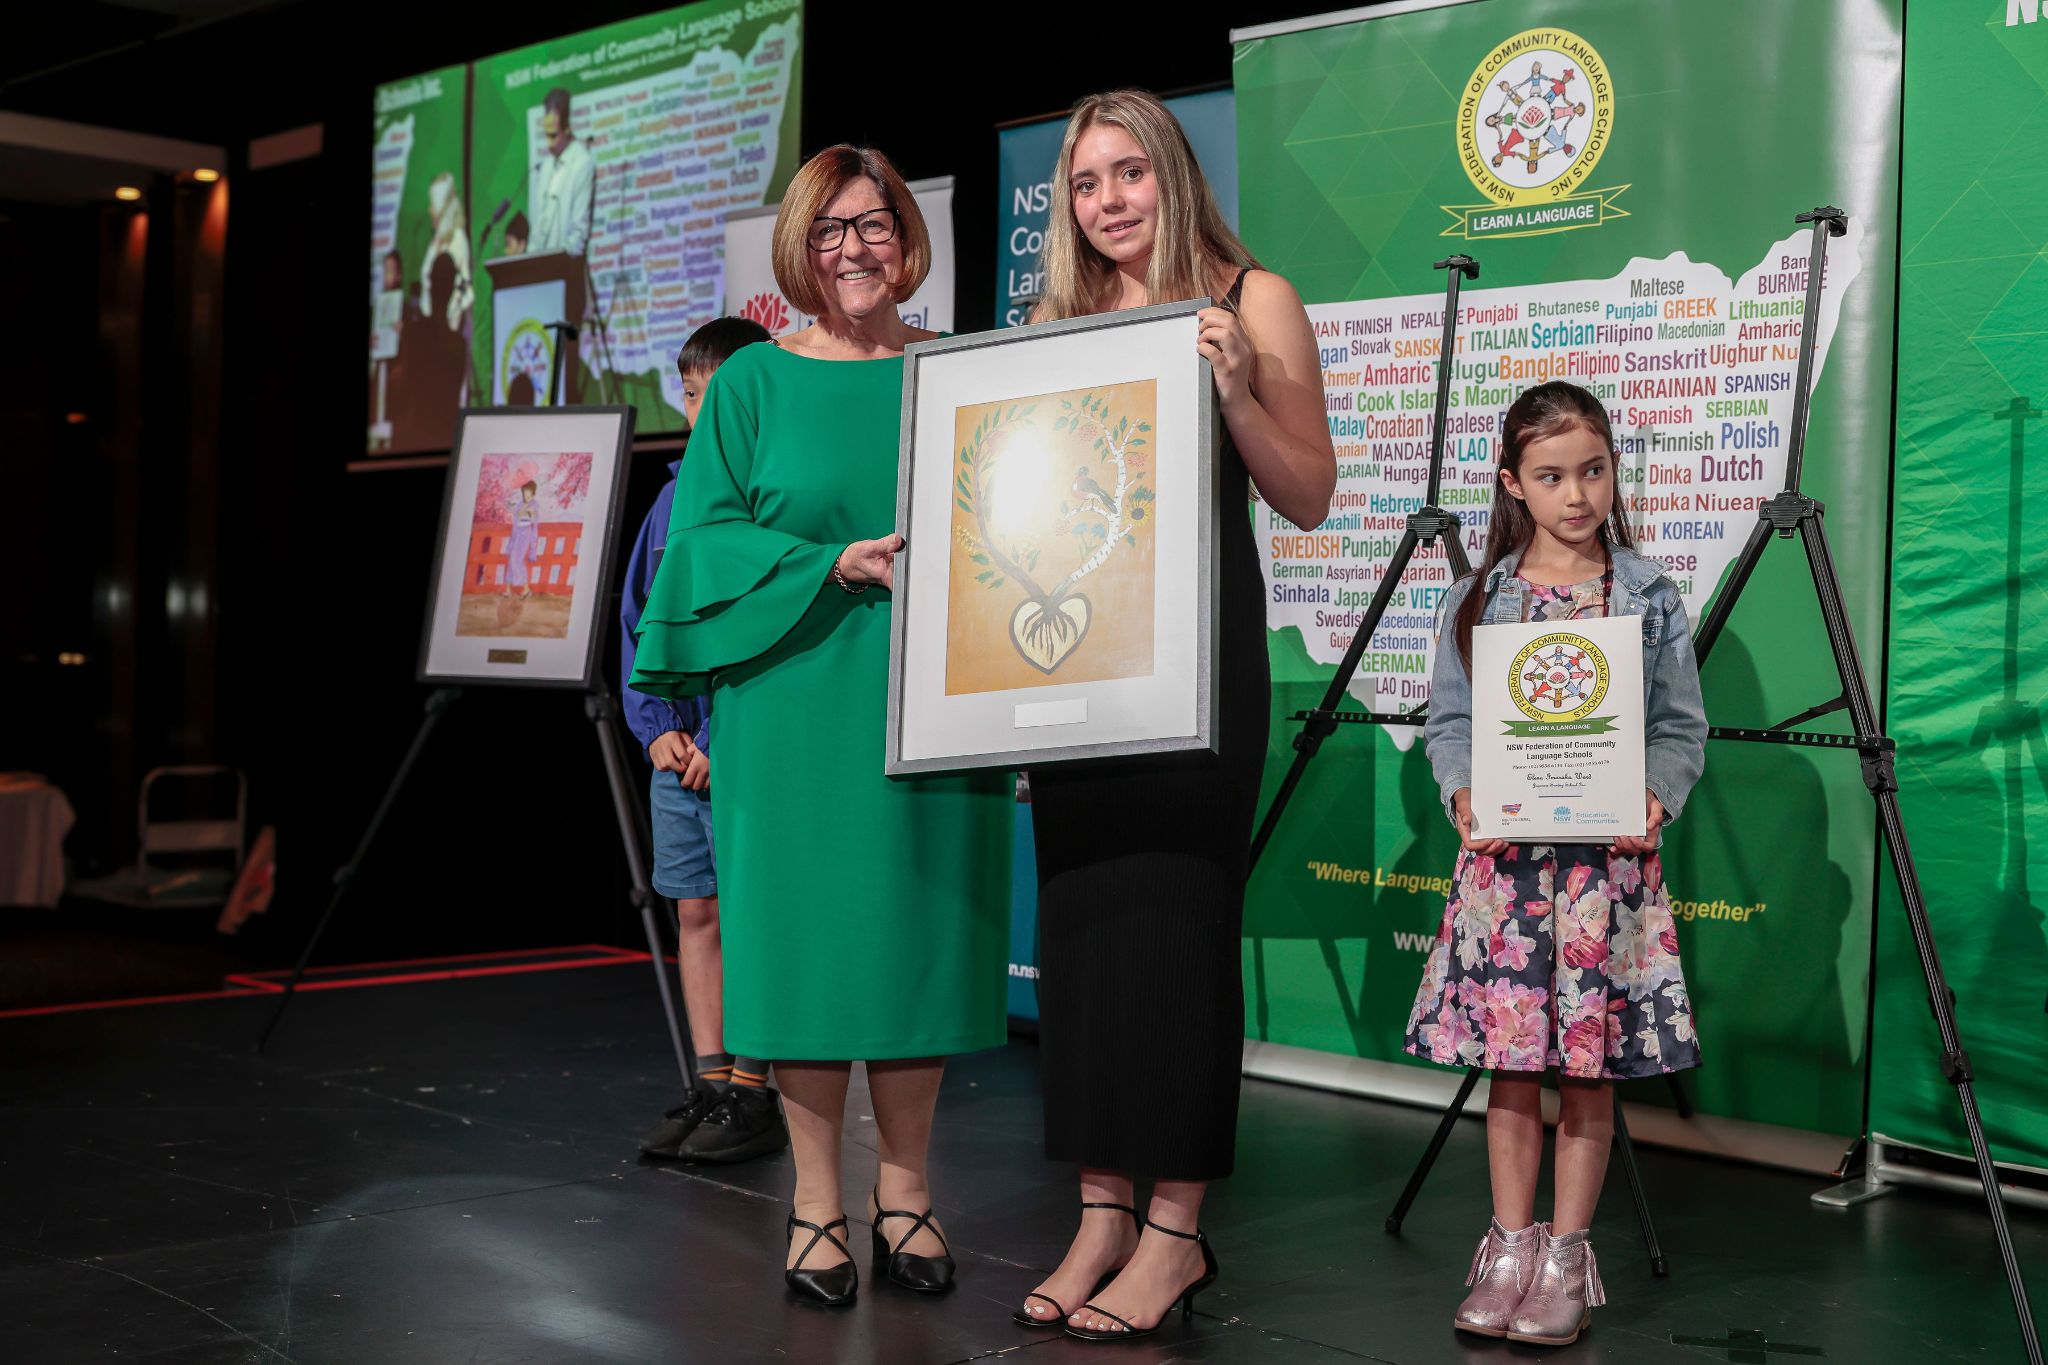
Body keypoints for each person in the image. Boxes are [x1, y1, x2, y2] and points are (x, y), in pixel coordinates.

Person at [630, 145, 1010, 1308]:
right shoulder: (751, 383)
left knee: (910, 944)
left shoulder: (960, 370)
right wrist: (825, 563)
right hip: (789, 701)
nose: (854, 248)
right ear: (800, 247)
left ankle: (906, 1193)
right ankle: (813, 1203)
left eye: (874, 223)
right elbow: (700, 545)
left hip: (933, 698)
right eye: (831, 229)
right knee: (800, 950)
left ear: (907, 238)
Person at [1019, 89, 1335, 1342]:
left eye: (1128, 173)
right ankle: (1100, 1216)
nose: (1108, 201)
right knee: (1084, 935)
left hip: (1196, 668)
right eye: (1084, 182)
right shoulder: (1051, 322)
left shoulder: (1253, 299)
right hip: (1072, 663)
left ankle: (1174, 1234)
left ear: (1173, 173)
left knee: (1182, 935)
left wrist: (1235, 392)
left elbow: (1306, 493)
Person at [1405, 380, 1706, 1348]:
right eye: (1550, 476)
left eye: (1592, 470)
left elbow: (1679, 727)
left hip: (1601, 882)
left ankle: (1567, 1254)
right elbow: (1451, 723)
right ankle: (1506, 1249)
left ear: (1613, 470)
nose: (1575, 494)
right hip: (1507, 876)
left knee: (1585, 1069)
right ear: (1511, 483)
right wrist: (1464, 796)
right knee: (1510, 1067)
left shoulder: (1647, 594)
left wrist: (1654, 794)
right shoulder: (1476, 597)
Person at [623, 315, 783, 1165]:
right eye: (691, 396)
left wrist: (724, 736)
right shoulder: (669, 502)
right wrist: (658, 730)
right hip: (677, 754)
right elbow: (639, 625)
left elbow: (766, 632)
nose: (700, 412)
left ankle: (756, 1088)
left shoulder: (771, 497)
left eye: (717, 397)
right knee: (697, 908)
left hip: (742, 753)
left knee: (752, 912)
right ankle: (713, 1079)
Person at [529, 89, 595, 258]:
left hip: (567, 265)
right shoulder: (546, 166)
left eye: (553, 136)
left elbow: (579, 232)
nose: (548, 144)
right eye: (546, 135)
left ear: (567, 128)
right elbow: (537, 226)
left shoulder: (582, 163)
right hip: (540, 267)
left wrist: (557, 262)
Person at [419, 171, 473, 329]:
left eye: (433, 205)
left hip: (450, 330)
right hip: (433, 329)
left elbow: (460, 293)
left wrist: (445, 330)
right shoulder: (435, 242)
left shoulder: (458, 240)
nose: (430, 210)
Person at [501, 480, 541, 597]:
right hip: (517, 534)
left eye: (529, 496)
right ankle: (509, 589)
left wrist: (530, 512)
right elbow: (516, 518)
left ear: (533, 495)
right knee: (512, 560)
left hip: (526, 534)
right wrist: (520, 511)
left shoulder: (534, 506)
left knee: (516, 560)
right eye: (524, 495)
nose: (526, 498)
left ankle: (526, 588)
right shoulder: (520, 504)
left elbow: (534, 523)